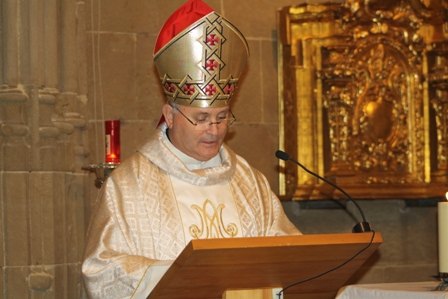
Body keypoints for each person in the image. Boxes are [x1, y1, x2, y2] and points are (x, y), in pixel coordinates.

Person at [81, 0, 301, 298]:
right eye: (201, 119)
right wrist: (185, 275)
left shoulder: (250, 183)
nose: (214, 129)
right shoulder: (129, 185)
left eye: (222, 118)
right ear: (170, 116)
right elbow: (103, 269)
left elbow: (290, 254)